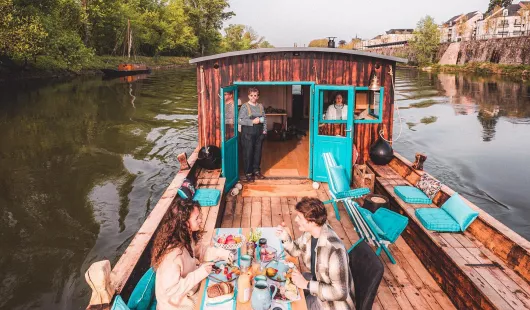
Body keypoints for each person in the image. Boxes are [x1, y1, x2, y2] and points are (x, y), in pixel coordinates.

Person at [151, 199, 233, 310]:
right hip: (178, 305)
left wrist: (223, 253)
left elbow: (201, 251)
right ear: (185, 223)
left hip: (191, 291)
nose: (200, 220)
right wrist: (200, 273)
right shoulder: (172, 255)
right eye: (196, 218)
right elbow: (171, 291)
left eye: (199, 216)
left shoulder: (186, 237)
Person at [276, 197, 355, 310]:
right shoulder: (311, 233)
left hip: (331, 305)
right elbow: (296, 250)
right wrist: (285, 237)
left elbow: (340, 292)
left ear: (312, 221)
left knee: (291, 305)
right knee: (286, 286)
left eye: (299, 217)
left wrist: (307, 285)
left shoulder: (335, 250)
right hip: (319, 283)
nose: (295, 220)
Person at [238, 87, 267, 182]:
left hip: (259, 133)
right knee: (248, 153)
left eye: (255, 95)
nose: (253, 97)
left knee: (258, 153)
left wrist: (264, 131)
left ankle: (256, 171)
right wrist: (252, 122)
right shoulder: (244, 107)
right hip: (248, 134)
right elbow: (240, 120)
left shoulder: (260, 106)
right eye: (251, 95)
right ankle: (248, 173)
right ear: (248, 96)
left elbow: (264, 119)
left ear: (258, 96)